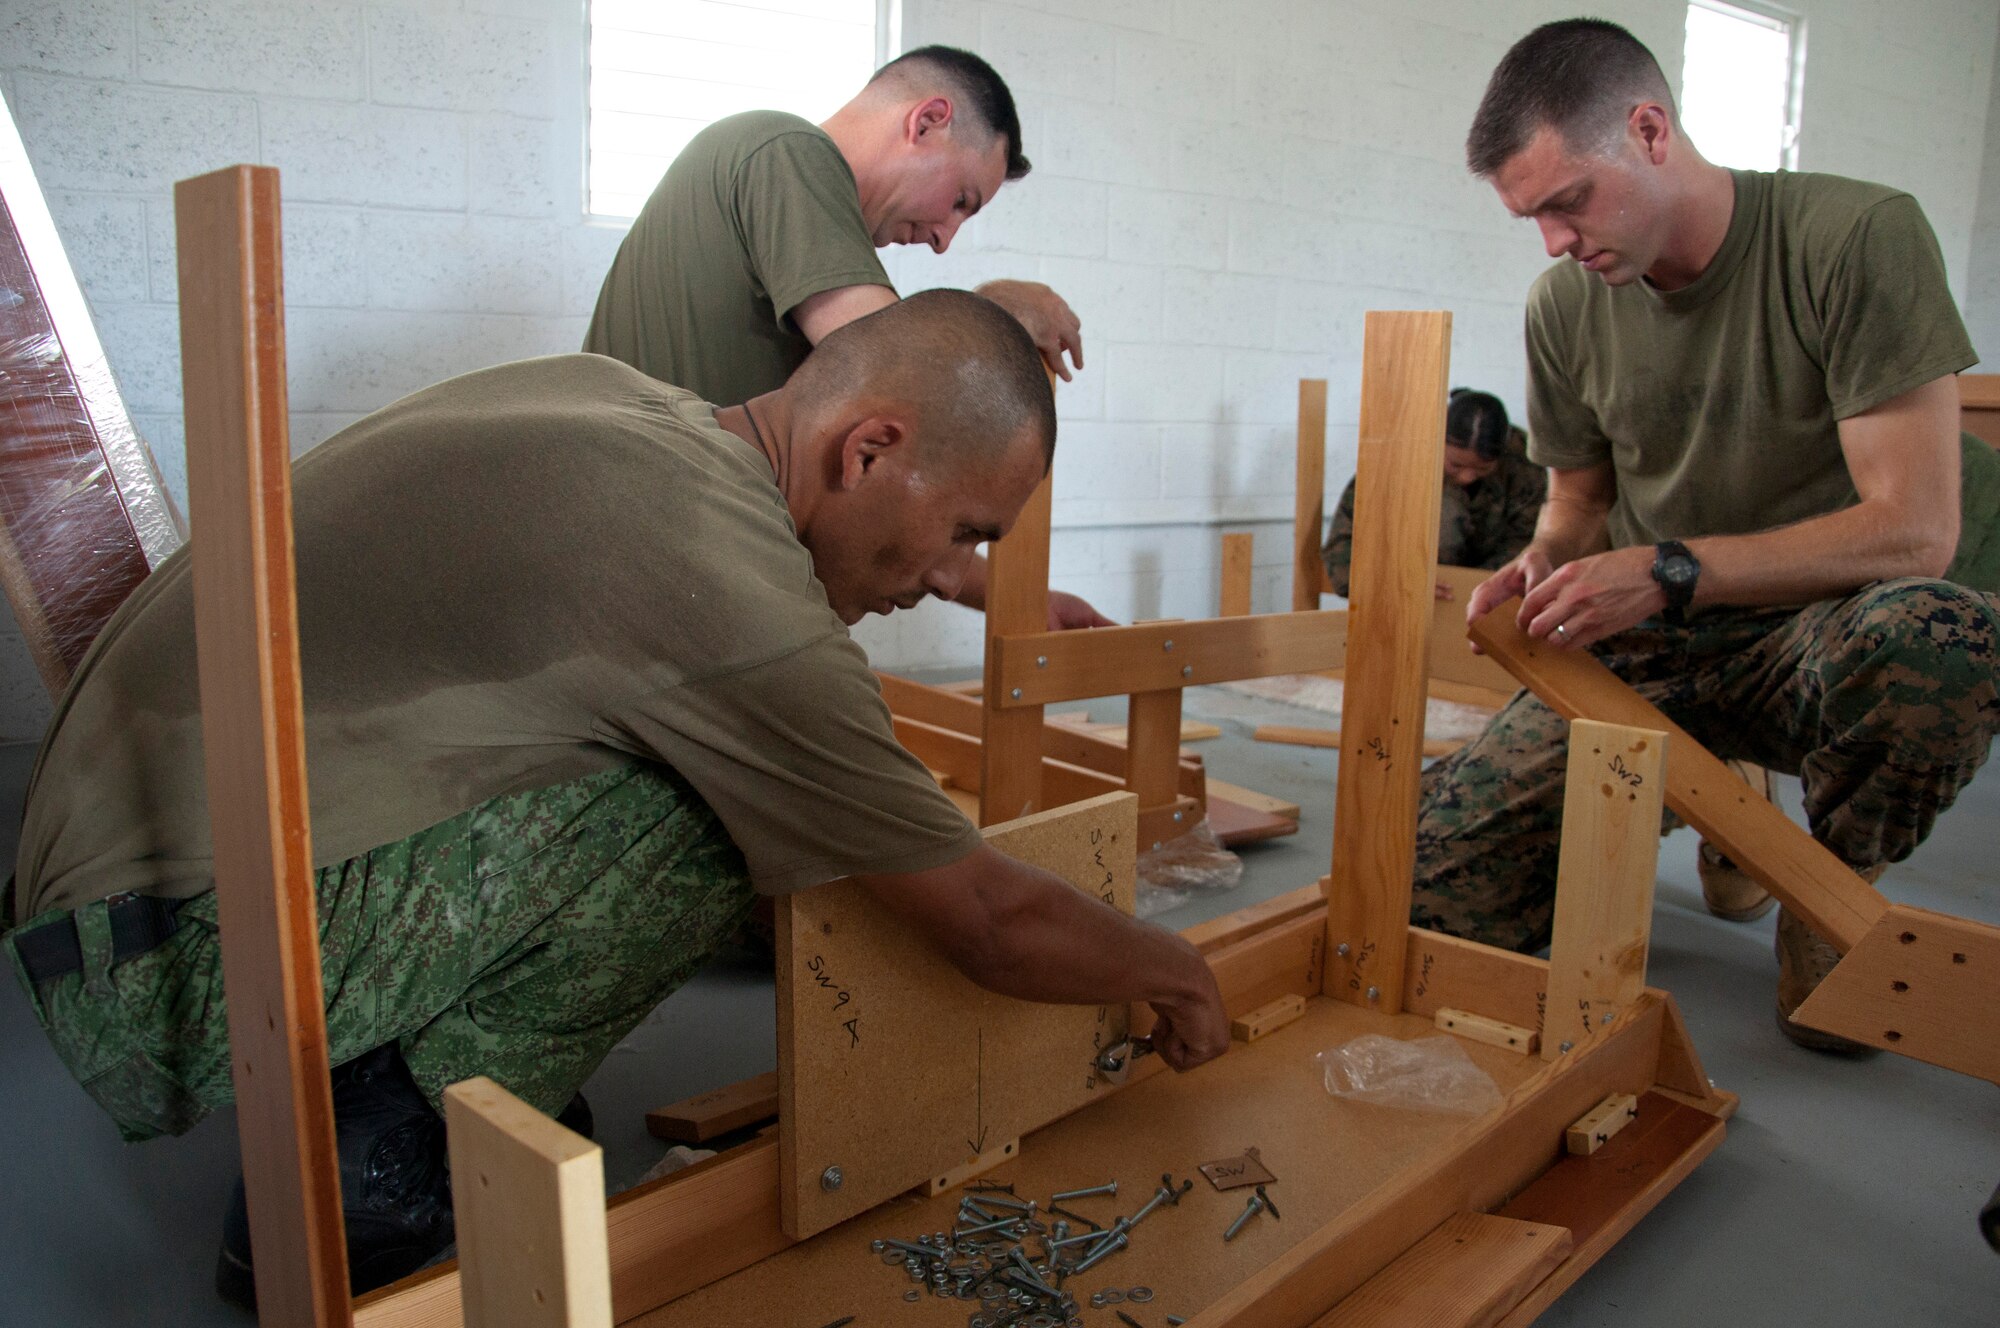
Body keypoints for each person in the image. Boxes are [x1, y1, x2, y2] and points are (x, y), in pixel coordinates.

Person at [2, 292, 1229, 1304]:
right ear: (866, 451)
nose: (949, 578)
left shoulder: (629, 404)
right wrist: (1170, 970)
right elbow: (984, 919)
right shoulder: (727, 591)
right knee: (722, 817)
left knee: (735, 787)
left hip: (119, 863)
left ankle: (450, 1062)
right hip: (154, 963)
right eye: (965, 530)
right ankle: (386, 1150)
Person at [1414, 19, 2000, 1052]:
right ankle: (1716, 797)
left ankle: (1833, 867)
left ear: (1648, 131)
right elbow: (1578, 498)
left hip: (1813, 637)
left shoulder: (1852, 237)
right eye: (1530, 219)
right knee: (1433, 897)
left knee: (1941, 639)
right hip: (1658, 642)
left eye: (1565, 203)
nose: (1554, 241)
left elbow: (1915, 532)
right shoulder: (1564, 305)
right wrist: (1545, 558)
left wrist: (1671, 569)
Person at [586, 44, 1107, 630]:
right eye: (960, 201)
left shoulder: (805, 284)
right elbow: (912, 387)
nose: (944, 240)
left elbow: (895, 486)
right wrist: (994, 314)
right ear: (927, 121)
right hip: (650, 573)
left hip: (668, 569)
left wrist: (1024, 602)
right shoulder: (786, 152)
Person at [1321, 388, 1544, 599]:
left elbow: (1528, 541)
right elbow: (1342, 549)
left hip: (1490, 591)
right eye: (1455, 465)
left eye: (1483, 468)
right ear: (1438, 440)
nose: (1467, 477)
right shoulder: (1398, 458)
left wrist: (1475, 586)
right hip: (1409, 584)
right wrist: (1388, 583)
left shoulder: (1523, 460)